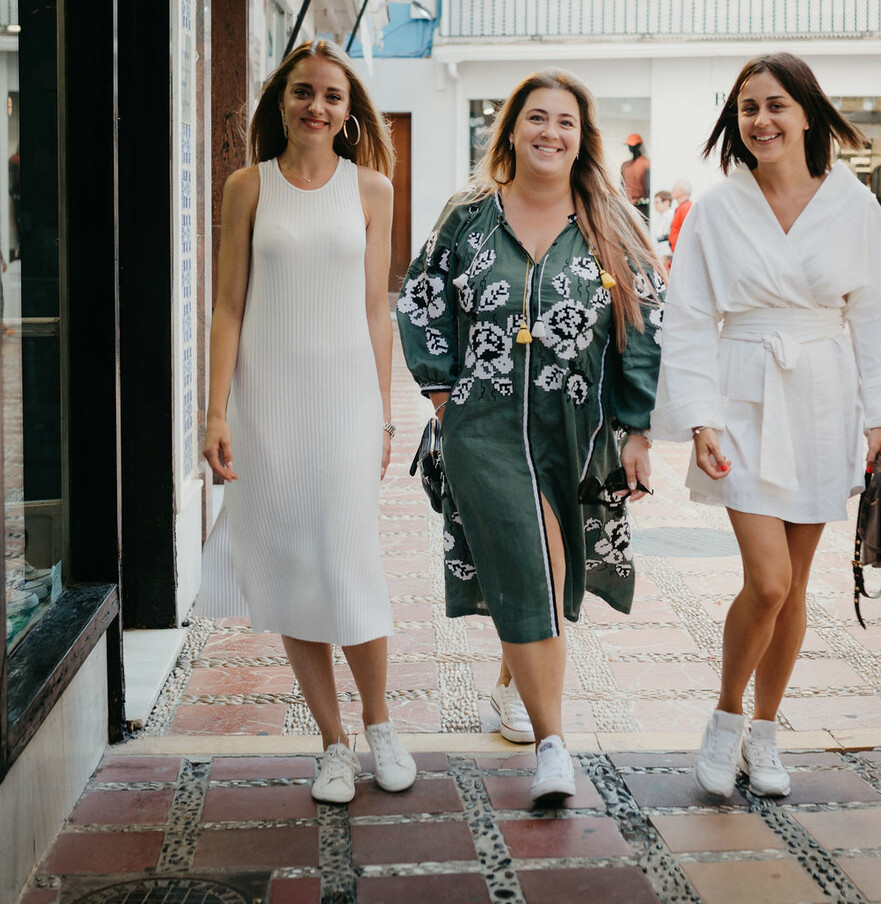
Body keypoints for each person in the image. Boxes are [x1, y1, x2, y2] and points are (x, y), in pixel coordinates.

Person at [650, 53, 881, 800]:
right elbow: (688, 319)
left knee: (797, 584)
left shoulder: (853, 204)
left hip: (823, 396)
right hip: (742, 393)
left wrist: (880, 417)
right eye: (748, 110)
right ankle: (724, 715)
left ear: (807, 112)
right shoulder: (714, 208)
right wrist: (699, 415)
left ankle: (765, 732)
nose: (762, 121)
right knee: (766, 581)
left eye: (775, 105)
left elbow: (878, 314)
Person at [398, 70, 664, 803]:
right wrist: (445, 395)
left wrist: (637, 428)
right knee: (534, 565)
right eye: (537, 118)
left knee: (549, 573)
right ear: (511, 128)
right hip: (483, 428)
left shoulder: (613, 220)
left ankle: (513, 683)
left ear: (583, 138)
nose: (551, 132)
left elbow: (643, 327)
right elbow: (421, 297)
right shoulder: (469, 214)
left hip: (577, 429)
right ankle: (554, 744)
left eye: (566, 122)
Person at [200, 41, 416, 805]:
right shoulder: (245, 187)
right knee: (295, 564)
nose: (315, 106)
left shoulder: (373, 189)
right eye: (302, 93)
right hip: (268, 402)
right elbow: (227, 307)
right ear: (281, 102)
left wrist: (386, 417)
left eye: (330, 95)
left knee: (347, 559)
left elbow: (374, 308)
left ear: (349, 112)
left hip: (347, 400)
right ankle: (333, 742)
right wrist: (215, 408)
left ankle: (381, 724)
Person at [620, 134, 651, 220]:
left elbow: (649, 187)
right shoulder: (625, 166)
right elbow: (621, 187)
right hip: (627, 207)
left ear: (639, 146)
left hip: (642, 207)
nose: (631, 148)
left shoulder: (646, 164)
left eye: (633, 146)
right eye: (629, 146)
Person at [667, 178, 693, 256]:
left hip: (682, 253)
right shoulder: (682, 208)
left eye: (674, 189)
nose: (671, 191)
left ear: (682, 191)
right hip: (677, 252)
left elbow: (688, 233)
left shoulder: (686, 208)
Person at [651, 189, 675, 259]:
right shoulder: (662, 216)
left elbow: (668, 237)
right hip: (660, 251)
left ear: (667, 202)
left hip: (667, 254)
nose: (654, 205)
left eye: (657, 202)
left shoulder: (672, 216)